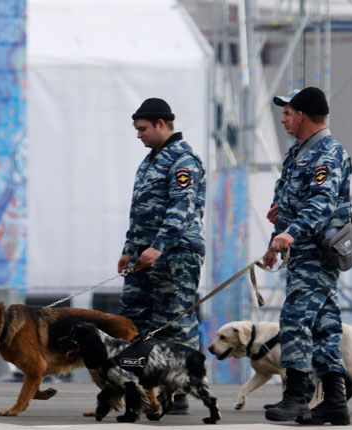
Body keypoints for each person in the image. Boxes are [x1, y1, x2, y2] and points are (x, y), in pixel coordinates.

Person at [263, 87, 352, 425]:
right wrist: (276, 236)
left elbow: (322, 202)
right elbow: (286, 203)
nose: (284, 120)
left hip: (317, 252)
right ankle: (334, 402)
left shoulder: (327, 153)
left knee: (295, 319)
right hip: (301, 253)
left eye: (287, 113)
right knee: (325, 327)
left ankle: (297, 397)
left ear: (301, 115)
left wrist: (290, 233)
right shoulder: (299, 153)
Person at [117, 98, 206, 414]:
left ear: (161, 124)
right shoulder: (150, 160)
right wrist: (130, 250)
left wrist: (159, 245)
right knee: (134, 320)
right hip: (144, 257)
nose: (138, 135)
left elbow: (181, 207)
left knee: (174, 322)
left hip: (174, 255)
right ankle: (142, 390)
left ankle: (178, 392)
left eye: (143, 129)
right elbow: (139, 212)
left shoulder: (183, 160)